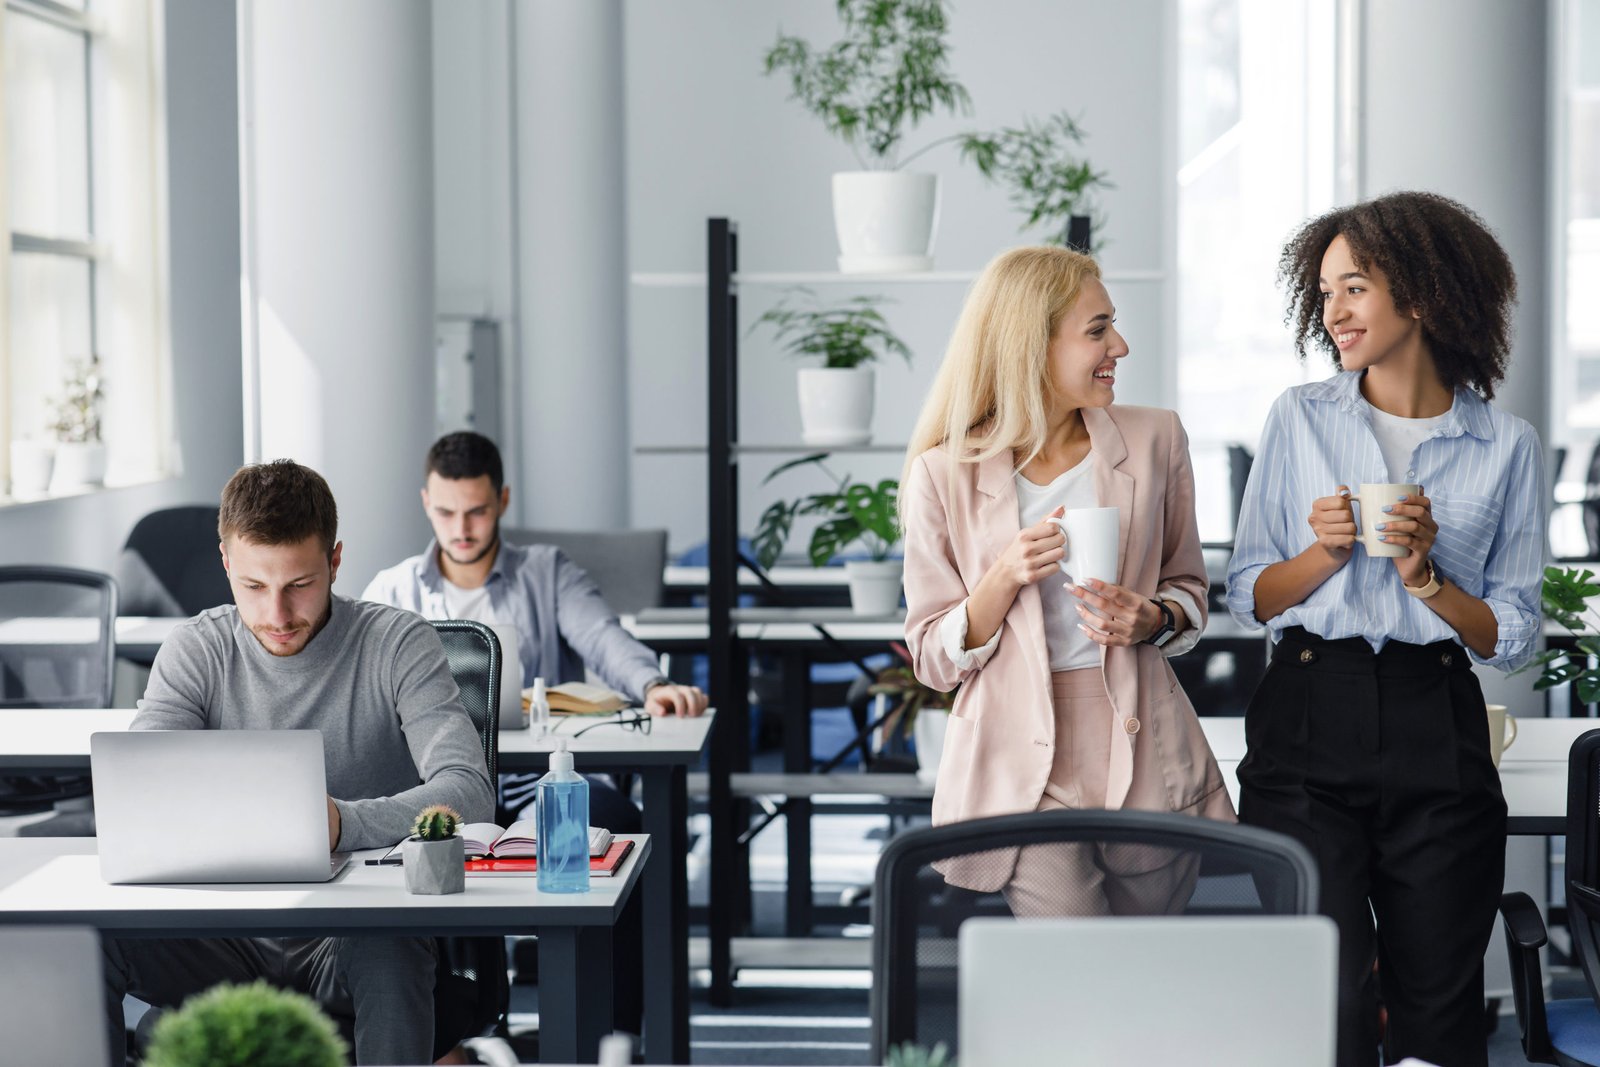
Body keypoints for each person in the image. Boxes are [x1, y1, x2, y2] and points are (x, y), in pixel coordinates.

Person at [1227, 190, 1544, 1067]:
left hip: (1432, 717)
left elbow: (1512, 632)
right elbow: (1248, 592)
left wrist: (1428, 580)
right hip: (1304, 713)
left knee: (1438, 1006)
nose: (1332, 310)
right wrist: (1324, 555)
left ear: (1424, 294)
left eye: (1354, 287)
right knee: (1321, 996)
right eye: (1324, 291)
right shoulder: (1300, 417)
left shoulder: (1506, 445)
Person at [102, 459, 496, 1065]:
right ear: (227, 563)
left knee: (391, 946)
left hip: (359, 933)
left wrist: (342, 824)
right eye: (255, 587)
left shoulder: (398, 643)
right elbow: (142, 793)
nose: (278, 616)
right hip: (221, 940)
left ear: (335, 562)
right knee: (90, 942)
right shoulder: (196, 650)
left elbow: (468, 790)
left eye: (300, 585)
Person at [900, 245, 1234, 918]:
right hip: (1018, 761)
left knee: (1145, 968)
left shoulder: (1156, 440)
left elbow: (1190, 590)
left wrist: (1153, 618)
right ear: (1033, 345)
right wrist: (1002, 578)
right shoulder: (943, 473)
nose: (1121, 344)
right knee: (1077, 958)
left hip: (1144, 747)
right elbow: (933, 659)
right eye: (1097, 329)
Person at [362, 430, 708, 1034]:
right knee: (409, 847)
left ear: (503, 500)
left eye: (477, 511)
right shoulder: (392, 592)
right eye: (446, 512)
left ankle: (609, 1034)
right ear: (426, 504)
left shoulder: (546, 573)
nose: (461, 528)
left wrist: (651, 683)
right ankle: (455, 1034)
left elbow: (604, 638)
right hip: (436, 789)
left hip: (541, 784)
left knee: (613, 819)